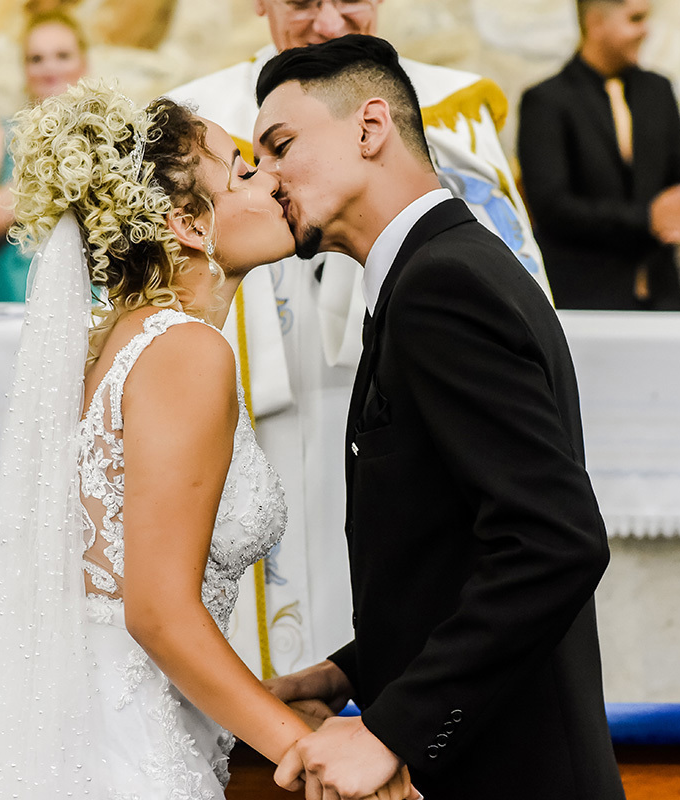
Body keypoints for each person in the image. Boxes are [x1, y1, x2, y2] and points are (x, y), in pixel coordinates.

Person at [0, 81, 415, 800]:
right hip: (125, 749)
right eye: (245, 171)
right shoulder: (186, 351)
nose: (274, 179)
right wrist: (310, 750)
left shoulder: (121, 342)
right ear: (188, 223)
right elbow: (157, 611)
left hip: (97, 723)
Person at [252, 36, 624, 800]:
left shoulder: (442, 285)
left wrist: (392, 729)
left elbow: (554, 542)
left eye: (280, 147)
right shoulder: (434, 271)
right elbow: (454, 548)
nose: (266, 180)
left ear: (370, 127)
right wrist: (352, 671)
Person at [167, 0, 549, 679]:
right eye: (302, 2)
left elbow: (536, 524)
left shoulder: (447, 113)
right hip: (259, 426)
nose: (328, 22)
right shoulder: (195, 122)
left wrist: (396, 721)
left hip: (408, 414)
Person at [518, 0, 680, 310]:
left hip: (662, 294)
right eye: (635, 19)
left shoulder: (658, 91)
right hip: (584, 293)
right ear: (596, 23)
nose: (646, 31)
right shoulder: (547, 101)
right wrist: (646, 218)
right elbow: (551, 207)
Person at [0, 9, 88, 302]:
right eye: (36, 59)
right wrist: (46, 169)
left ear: (83, 62)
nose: (49, 68)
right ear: (25, 69)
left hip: (89, 291)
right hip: (15, 291)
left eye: (62, 55)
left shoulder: (111, 134)